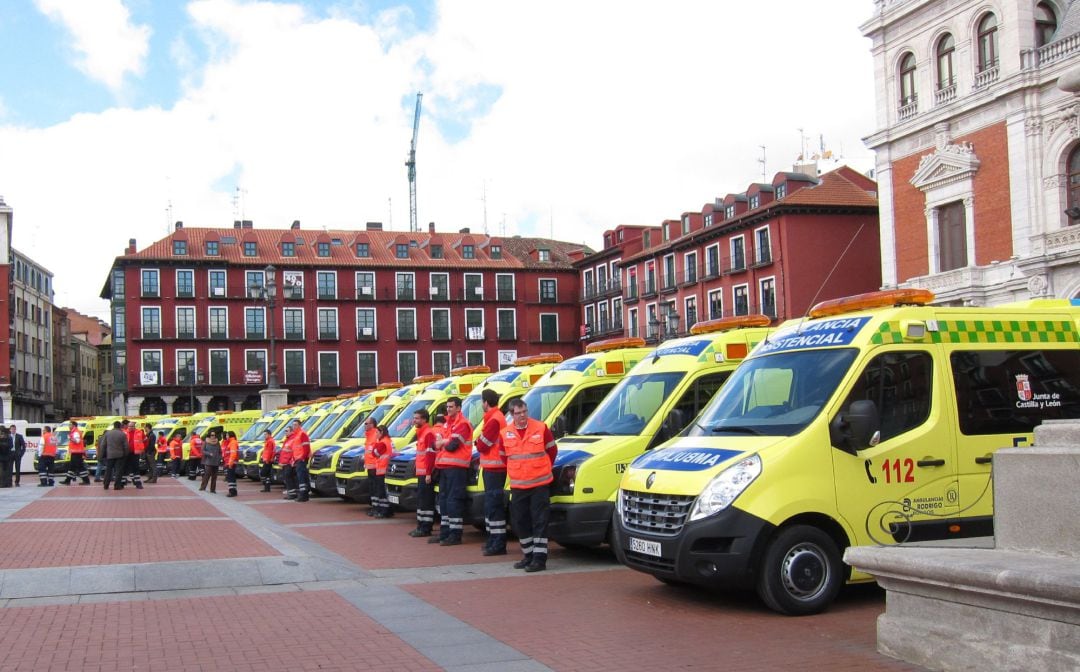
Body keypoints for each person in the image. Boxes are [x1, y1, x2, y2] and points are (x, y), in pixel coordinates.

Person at [503, 398, 558, 572]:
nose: (522, 416)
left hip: (540, 484)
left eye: (524, 411)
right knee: (520, 522)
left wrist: (543, 467)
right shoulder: (505, 433)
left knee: (539, 521)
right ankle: (528, 555)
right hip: (519, 485)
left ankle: (539, 559)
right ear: (512, 415)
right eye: (518, 413)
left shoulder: (540, 428)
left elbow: (552, 450)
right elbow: (503, 456)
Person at [429, 396, 473, 546]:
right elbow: (435, 444)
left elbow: (452, 446)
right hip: (444, 467)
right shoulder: (447, 424)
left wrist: (443, 442)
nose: (448, 409)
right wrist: (442, 442)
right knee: (444, 501)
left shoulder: (463, 424)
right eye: (447, 407)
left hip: (457, 468)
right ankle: (445, 532)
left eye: (451, 407)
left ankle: (455, 534)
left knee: (453, 501)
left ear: (459, 408)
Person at [476, 389, 508, 556]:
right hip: (492, 468)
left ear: (486, 402)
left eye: (482, 402)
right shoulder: (494, 418)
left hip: (495, 469)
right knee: (491, 506)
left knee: (494, 506)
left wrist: (478, 441)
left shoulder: (494, 420)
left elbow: (482, 445)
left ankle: (498, 543)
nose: (482, 405)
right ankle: (493, 540)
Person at [409, 409, 437, 537]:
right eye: (414, 418)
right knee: (421, 500)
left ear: (424, 419)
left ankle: (425, 527)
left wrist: (428, 473)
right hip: (421, 473)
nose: (414, 420)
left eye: (417, 418)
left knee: (425, 501)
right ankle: (420, 525)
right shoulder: (422, 433)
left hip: (426, 474)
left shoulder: (428, 434)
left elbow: (430, 455)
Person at [371, 424, 394, 518]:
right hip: (388, 469)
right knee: (386, 491)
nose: (375, 434)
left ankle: (384, 511)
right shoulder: (389, 441)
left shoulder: (382, 442)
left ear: (381, 432)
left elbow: (374, 453)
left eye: (377, 432)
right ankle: (388, 510)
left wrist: (375, 444)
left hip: (382, 470)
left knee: (382, 492)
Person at [287, 420, 312, 502]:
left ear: (299, 425)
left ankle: (303, 495)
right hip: (297, 459)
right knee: (302, 477)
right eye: (293, 425)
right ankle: (305, 494)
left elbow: (306, 447)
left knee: (301, 478)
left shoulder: (302, 434)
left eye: (296, 425)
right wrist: (294, 459)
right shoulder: (296, 435)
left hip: (301, 459)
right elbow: (295, 448)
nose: (294, 427)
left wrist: (303, 457)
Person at [102, 421, 130, 491]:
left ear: (113, 426)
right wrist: (126, 454)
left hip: (110, 455)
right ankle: (117, 486)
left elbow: (103, 445)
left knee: (108, 470)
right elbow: (126, 446)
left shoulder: (108, 433)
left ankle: (106, 485)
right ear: (120, 426)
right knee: (118, 470)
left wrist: (103, 454)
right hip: (120, 455)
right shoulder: (122, 434)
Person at [361, 417, 379, 515]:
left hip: (375, 468)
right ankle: (374, 506)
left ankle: (377, 507)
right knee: (372, 488)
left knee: (376, 488)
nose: (365, 425)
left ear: (372, 425)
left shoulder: (376, 434)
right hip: (370, 467)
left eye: (366, 423)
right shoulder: (368, 435)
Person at [125, 421, 146, 490]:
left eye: (132, 426)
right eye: (129, 426)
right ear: (127, 427)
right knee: (126, 468)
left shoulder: (140, 432)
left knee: (136, 468)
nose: (131, 427)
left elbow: (145, 440)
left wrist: (142, 448)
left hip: (135, 453)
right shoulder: (124, 432)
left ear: (134, 426)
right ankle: (125, 482)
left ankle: (138, 483)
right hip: (126, 453)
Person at [279, 427, 297, 500]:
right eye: (285, 431)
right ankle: (290, 493)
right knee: (287, 479)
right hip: (285, 463)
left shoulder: (292, 440)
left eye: (286, 431)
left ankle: (292, 494)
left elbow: (292, 452)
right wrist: (281, 462)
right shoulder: (287, 440)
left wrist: (290, 461)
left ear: (291, 431)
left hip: (289, 463)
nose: (285, 432)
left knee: (289, 478)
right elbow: (283, 452)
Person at [224, 431, 240, 497]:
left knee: (230, 478)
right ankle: (234, 491)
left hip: (231, 463)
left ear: (230, 435)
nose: (226, 437)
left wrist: (230, 463)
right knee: (232, 477)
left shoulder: (232, 442)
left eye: (227, 435)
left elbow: (233, 454)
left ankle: (232, 492)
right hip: (231, 462)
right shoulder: (232, 442)